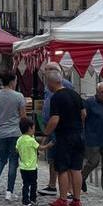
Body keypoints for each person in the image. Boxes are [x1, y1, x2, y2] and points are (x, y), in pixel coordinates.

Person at [43, 70, 86, 206]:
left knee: (62, 168)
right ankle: (77, 200)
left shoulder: (56, 97)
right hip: (78, 135)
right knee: (76, 168)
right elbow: (83, 113)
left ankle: (63, 199)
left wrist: (46, 133)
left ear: (51, 83)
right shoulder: (75, 94)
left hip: (65, 136)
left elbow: (55, 119)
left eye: (47, 83)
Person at [0, 71, 26, 200]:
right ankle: (9, 191)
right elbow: (23, 116)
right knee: (13, 162)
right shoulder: (19, 96)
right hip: (15, 132)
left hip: (0, 132)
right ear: (11, 81)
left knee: (0, 159)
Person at [38, 62, 74, 197]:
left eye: (49, 70)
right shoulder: (48, 86)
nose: (46, 72)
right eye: (45, 70)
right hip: (51, 124)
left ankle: (68, 189)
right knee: (52, 158)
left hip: (60, 126)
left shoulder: (65, 85)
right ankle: (52, 185)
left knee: (63, 159)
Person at [16, 117, 40, 206]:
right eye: (34, 128)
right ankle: (32, 199)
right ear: (30, 128)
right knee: (33, 183)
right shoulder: (31, 140)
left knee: (25, 184)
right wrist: (49, 145)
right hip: (32, 167)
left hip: (23, 167)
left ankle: (25, 200)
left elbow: (17, 150)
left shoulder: (20, 139)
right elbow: (39, 147)